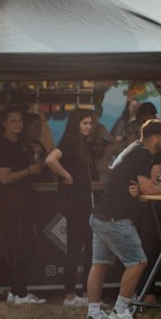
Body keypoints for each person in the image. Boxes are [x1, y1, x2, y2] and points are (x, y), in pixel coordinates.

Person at [85, 117, 161, 319]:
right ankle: (121, 311)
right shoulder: (142, 153)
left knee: (100, 264)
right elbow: (148, 188)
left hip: (100, 215)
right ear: (154, 137)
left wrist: (140, 189)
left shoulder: (132, 149)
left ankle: (94, 313)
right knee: (138, 262)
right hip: (116, 219)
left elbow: (132, 184)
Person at [44, 108, 104, 307]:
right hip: (74, 203)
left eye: (90, 123)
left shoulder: (81, 143)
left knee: (88, 246)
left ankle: (85, 293)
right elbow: (50, 159)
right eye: (85, 123)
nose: (89, 127)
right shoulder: (70, 140)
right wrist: (66, 175)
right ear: (76, 123)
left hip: (83, 201)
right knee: (76, 247)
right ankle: (70, 295)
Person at [0, 105, 46, 305]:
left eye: (20, 121)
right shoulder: (2, 146)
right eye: (13, 121)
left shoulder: (23, 144)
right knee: (18, 245)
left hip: (24, 199)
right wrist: (29, 171)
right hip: (12, 200)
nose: (18, 124)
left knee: (26, 245)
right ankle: (19, 293)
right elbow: (5, 178)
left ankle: (17, 292)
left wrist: (38, 155)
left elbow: (36, 170)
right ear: (5, 123)